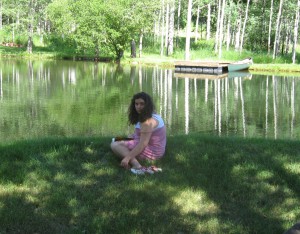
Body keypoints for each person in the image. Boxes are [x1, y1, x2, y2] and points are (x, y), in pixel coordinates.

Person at [110, 92, 166, 174]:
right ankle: (127, 151)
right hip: (149, 145)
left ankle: (137, 166)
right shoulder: (150, 114)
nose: (138, 107)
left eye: (142, 104)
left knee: (114, 144)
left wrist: (127, 158)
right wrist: (132, 136)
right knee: (115, 139)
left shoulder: (147, 122)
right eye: (136, 104)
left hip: (153, 152)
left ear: (147, 105)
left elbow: (142, 144)